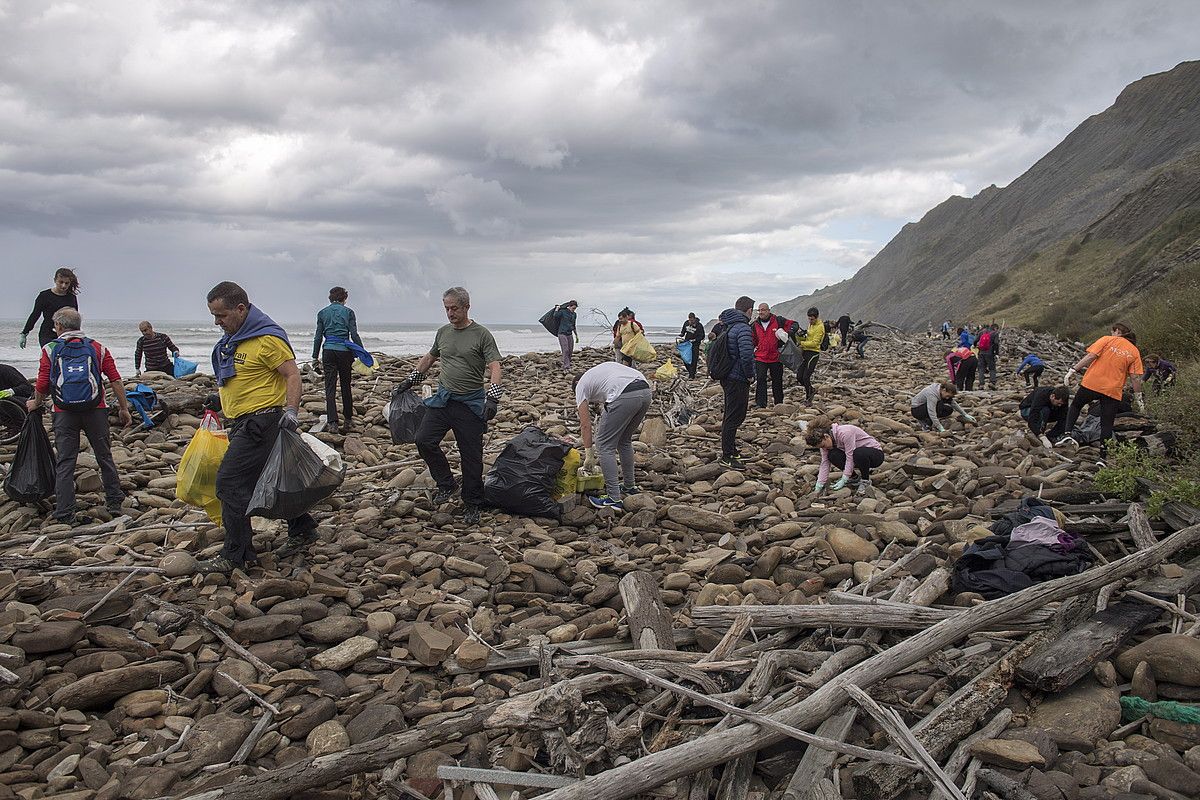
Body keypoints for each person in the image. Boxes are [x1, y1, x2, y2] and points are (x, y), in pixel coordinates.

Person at [203, 281, 317, 573]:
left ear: (241, 309)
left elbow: (292, 375)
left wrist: (291, 410)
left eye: (222, 315)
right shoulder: (234, 341)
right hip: (242, 422)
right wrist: (220, 403)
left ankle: (236, 553)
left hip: (263, 422)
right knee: (273, 478)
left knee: (229, 484)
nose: (217, 322)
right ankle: (302, 527)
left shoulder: (266, 339)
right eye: (214, 316)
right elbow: (243, 380)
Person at [403, 287, 503, 526]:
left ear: (466, 307)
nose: (450, 313)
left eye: (454, 308)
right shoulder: (443, 333)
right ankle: (446, 484)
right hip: (443, 400)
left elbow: (495, 366)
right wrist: (408, 382)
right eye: (446, 308)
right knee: (424, 440)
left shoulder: (481, 334)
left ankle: (472, 502)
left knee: (471, 456)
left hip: (470, 404)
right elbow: (429, 358)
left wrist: (493, 397)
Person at [25, 308, 131, 525]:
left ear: (60, 327)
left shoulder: (50, 349)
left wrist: (35, 403)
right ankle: (114, 503)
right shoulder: (97, 348)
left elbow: (43, 382)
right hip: (96, 409)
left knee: (65, 461)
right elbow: (115, 380)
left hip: (64, 412)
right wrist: (124, 408)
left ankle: (65, 513)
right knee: (104, 456)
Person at [573, 362, 652, 510]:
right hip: (645, 390)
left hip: (624, 393)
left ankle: (613, 499)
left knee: (604, 445)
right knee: (624, 440)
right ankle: (629, 486)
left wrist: (589, 454)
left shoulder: (580, 386)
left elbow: (585, 425)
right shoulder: (599, 373)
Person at [1063, 323, 1144, 454]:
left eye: (1113, 332)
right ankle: (1103, 455)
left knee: (1076, 405)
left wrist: (1073, 369)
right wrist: (1139, 398)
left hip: (1092, 383)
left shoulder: (1106, 339)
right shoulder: (1134, 351)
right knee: (1107, 423)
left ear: (1117, 331)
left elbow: (1090, 356)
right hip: (1112, 390)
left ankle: (1067, 433)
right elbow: (1135, 378)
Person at [312, 286, 364, 434]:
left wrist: (314, 357)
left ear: (330, 298)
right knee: (346, 385)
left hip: (328, 350)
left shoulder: (322, 313)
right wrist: (362, 352)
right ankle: (348, 420)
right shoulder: (348, 312)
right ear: (344, 299)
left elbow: (318, 337)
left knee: (330, 386)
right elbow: (354, 335)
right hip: (344, 351)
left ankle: (333, 423)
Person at [711, 296, 755, 470]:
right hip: (737, 378)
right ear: (749, 310)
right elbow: (746, 355)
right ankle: (727, 455)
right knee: (734, 416)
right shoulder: (743, 328)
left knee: (732, 413)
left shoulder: (728, 325)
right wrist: (750, 375)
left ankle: (731, 450)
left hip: (727, 376)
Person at [805, 415, 884, 496]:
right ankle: (854, 478)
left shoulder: (845, 433)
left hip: (874, 455)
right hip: (856, 458)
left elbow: (850, 456)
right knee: (832, 455)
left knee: (858, 453)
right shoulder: (826, 442)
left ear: (826, 436)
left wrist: (844, 478)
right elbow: (825, 463)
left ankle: (865, 481)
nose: (823, 448)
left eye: (823, 445)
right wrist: (819, 484)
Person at [750, 303, 798, 408]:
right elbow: (752, 340)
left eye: (763, 310)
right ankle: (761, 404)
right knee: (761, 380)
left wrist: (789, 333)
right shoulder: (755, 325)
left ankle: (779, 403)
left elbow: (794, 324)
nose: (761, 312)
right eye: (759, 310)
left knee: (777, 380)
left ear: (768, 310)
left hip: (775, 357)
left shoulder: (778, 320)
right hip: (761, 357)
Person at [21, 268, 80, 349]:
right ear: (55, 280)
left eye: (67, 283)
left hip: (66, 335)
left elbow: (75, 319)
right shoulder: (44, 296)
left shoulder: (71, 298)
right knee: (50, 356)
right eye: (61, 282)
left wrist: (78, 335)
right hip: (47, 334)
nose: (64, 285)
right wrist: (24, 333)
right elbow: (35, 315)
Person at [910, 382, 975, 432]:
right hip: (916, 410)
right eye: (947, 395)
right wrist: (940, 428)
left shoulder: (941, 390)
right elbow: (931, 411)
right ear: (944, 390)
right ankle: (925, 423)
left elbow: (953, 403)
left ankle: (930, 421)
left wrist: (965, 414)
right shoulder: (932, 395)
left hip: (924, 406)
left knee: (949, 409)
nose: (947, 397)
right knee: (939, 405)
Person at [794, 307, 824, 406]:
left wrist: (802, 343)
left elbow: (815, 343)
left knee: (806, 376)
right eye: (809, 319)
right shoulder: (811, 325)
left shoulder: (820, 327)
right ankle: (811, 389)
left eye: (812, 319)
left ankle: (808, 397)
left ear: (816, 317)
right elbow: (809, 336)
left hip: (813, 353)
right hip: (805, 352)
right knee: (799, 376)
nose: (810, 321)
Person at [553, 301, 579, 372]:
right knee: (565, 350)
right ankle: (566, 367)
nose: (574, 310)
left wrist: (576, 335)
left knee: (570, 350)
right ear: (569, 306)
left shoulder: (574, 314)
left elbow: (573, 325)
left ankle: (567, 363)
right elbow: (555, 316)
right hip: (562, 333)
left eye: (575, 308)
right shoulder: (563, 312)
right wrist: (557, 308)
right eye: (573, 308)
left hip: (569, 333)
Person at [678, 313, 705, 379]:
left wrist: (695, 340)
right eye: (689, 320)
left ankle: (692, 375)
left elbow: (702, 336)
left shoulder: (699, 325)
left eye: (692, 321)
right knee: (685, 358)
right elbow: (683, 332)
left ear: (694, 319)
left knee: (694, 359)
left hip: (695, 345)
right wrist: (681, 335)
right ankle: (690, 371)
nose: (690, 322)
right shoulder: (686, 323)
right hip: (687, 344)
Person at [977, 324, 998, 390]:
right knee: (992, 368)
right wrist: (996, 353)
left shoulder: (981, 332)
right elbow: (996, 343)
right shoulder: (995, 333)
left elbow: (975, 341)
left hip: (981, 353)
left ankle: (981, 384)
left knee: (981, 368)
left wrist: (976, 347)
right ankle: (992, 382)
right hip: (990, 353)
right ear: (995, 328)